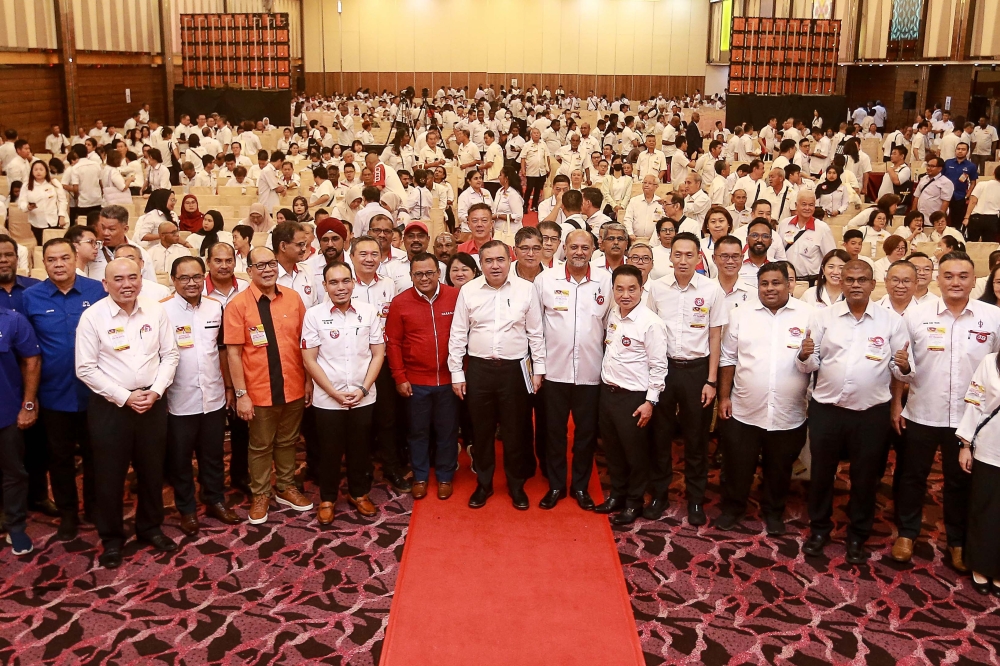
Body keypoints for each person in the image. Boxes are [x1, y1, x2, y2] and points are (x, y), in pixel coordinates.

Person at [891, 251, 1000, 571]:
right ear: (938, 278)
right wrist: (897, 400)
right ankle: (907, 534)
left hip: (969, 420)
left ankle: (956, 540)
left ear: (973, 280)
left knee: (959, 482)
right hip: (923, 411)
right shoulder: (916, 316)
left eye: (963, 276)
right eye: (949, 276)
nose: (955, 282)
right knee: (912, 477)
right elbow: (900, 368)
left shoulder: (992, 317)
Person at [798, 260, 910, 562]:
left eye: (862, 279)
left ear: (874, 284)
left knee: (865, 478)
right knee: (821, 474)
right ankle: (819, 529)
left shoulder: (891, 322)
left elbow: (902, 370)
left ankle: (858, 536)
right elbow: (809, 364)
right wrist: (803, 355)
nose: (856, 285)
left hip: (871, 413)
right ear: (841, 282)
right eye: (850, 279)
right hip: (827, 409)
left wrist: (905, 366)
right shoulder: (824, 318)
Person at [75, 258, 179, 569]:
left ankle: (150, 527)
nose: (126, 284)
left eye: (132, 277)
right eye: (118, 279)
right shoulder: (92, 317)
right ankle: (111, 539)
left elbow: (170, 354)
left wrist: (156, 391)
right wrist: (125, 397)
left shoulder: (155, 310)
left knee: (151, 471)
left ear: (141, 280)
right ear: (105, 285)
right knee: (110, 476)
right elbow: (85, 368)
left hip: (152, 402)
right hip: (111, 407)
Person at [448, 240, 545, 510]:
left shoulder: (527, 290)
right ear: (481, 264)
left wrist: (539, 370)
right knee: (482, 431)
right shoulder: (468, 291)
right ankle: (485, 484)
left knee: (515, 431)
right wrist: (457, 372)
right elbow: (458, 334)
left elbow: (535, 334)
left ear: (509, 260)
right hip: (479, 370)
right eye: (488, 261)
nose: (495, 265)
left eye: (500, 260)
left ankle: (516, 485)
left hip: (515, 370)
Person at [716, 262, 810, 532]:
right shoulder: (741, 314)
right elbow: (728, 358)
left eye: (776, 283)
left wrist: (805, 357)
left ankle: (773, 512)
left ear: (788, 284)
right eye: (764, 284)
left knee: (779, 467)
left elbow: (814, 360)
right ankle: (733, 508)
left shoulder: (808, 315)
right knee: (738, 465)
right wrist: (724, 397)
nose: (770, 288)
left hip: (787, 411)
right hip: (745, 408)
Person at [22, 238, 106, 540]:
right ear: (44, 263)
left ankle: (94, 507)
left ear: (75, 259)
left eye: (64, 258)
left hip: (96, 393)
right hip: (54, 393)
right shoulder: (31, 297)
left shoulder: (97, 290)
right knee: (59, 458)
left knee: (97, 455)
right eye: (51, 259)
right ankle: (68, 513)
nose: (58, 264)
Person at [224, 247, 312, 526]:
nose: (267, 269)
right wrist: (241, 395)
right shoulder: (238, 305)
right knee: (260, 446)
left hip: (294, 387)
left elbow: (305, 343)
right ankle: (260, 493)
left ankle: (285, 486)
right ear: (248, 270)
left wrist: (309, 381)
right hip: (259, 392)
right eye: (259, 265)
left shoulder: (294, 299)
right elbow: (233, 354)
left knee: (288, 441)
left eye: (271, 263)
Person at [646, 232, 727, 523]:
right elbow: (649, 332)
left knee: (696, 439)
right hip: (664, 370)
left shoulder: (712, 289)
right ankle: (658, 494)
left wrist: (712, 380)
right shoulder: (656, 288)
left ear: (698, 258)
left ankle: (695, 499)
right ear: (670, 257)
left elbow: (715, 336)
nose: (682, 260)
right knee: (660, 436)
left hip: (697, 371)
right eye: (677, 254)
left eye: (688, 255)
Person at [161, 255, 241, 535]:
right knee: (181, 459)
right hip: (178, 400)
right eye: (184, 278)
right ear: (173, 280)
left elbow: (222, 350)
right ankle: (186, 509)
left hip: (214, 396)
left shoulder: (215, 307)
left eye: (196, 276)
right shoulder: (162, 311)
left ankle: (215, 499)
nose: (192, 283)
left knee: (213, 455)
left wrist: (230, 387)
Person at [301, 261, 384, 523]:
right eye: (334, 282)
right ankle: (327, 498)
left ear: (353, 283)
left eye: (345, 281)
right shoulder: (313, 315)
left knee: (361, 448)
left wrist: (363, 388)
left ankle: (359, 493)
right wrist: (334, 393)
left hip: (363, 395)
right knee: (329, 450)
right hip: (328, 399)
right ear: (324, 286)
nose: (341, 287)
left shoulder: (369, 312)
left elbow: (378, 353)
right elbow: (309, 359)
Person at [535, 229, 612, 510]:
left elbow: (610, 325)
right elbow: (535, 327)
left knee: (586, 434)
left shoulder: (606, 281)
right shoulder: (545, 280)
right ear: (563, 249)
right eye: (574, 247)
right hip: (554, 371)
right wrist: (538, 369)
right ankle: (556, 485)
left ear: (594, 250)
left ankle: (580, 486)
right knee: (554, 432)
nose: (579, 252)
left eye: (585, 247)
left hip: (591, 372)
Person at [595, 265, 668, 524]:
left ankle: (635, 502)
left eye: (632, 289)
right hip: (608, 393)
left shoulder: (651, 323)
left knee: (635, 454)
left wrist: (650, 402)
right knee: (613, 451)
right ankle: (618, 495)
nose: (625, 294)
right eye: (619, 289)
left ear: (641, 289)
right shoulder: (613, 314)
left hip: (634, 398)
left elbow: (659, 366)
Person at [385, 252, 460, 500]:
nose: (424, 278)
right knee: (417, 431)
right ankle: (419, 476)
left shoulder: (455, 297)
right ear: (411, 276)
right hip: (416, 381)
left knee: (447, 430)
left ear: (439, 273)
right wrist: (399, 376)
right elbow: (393, 343)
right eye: (419, 274)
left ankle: (446, 476)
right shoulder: (400, 302)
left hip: (449, 379)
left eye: (429, 273)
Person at [956, 352, 1000, 596]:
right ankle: (980, 565)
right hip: (990, 448)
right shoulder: (990, 362)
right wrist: (965, 445)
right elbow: (975, 403)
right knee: (983, 509)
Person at [0, 300, 41, 555]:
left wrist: (28, 404)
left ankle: (16, 526)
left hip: (6, 413)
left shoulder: (12, 319)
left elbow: (32, 362)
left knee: (13, 472)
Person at [777, 190, 835, 282]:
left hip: (811, 281)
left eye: (811, 205)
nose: (807, 208)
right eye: (804, 204)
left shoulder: (822, 228)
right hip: (785, 279)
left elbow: (831, 258)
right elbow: (777, 251)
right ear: (796, 205)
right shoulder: (784, 224)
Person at [19, 160, 68, 245]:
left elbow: (62, 200)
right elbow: (21, 203)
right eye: (36, 169)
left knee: (56, 244)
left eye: (41, 169)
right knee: (42, 245)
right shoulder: (27, 185)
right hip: (37, 222)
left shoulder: (54, 183)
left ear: (46, 171)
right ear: (32, 172)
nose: (38, 172)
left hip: (54, 220)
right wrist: (27, 207)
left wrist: (62, 216)